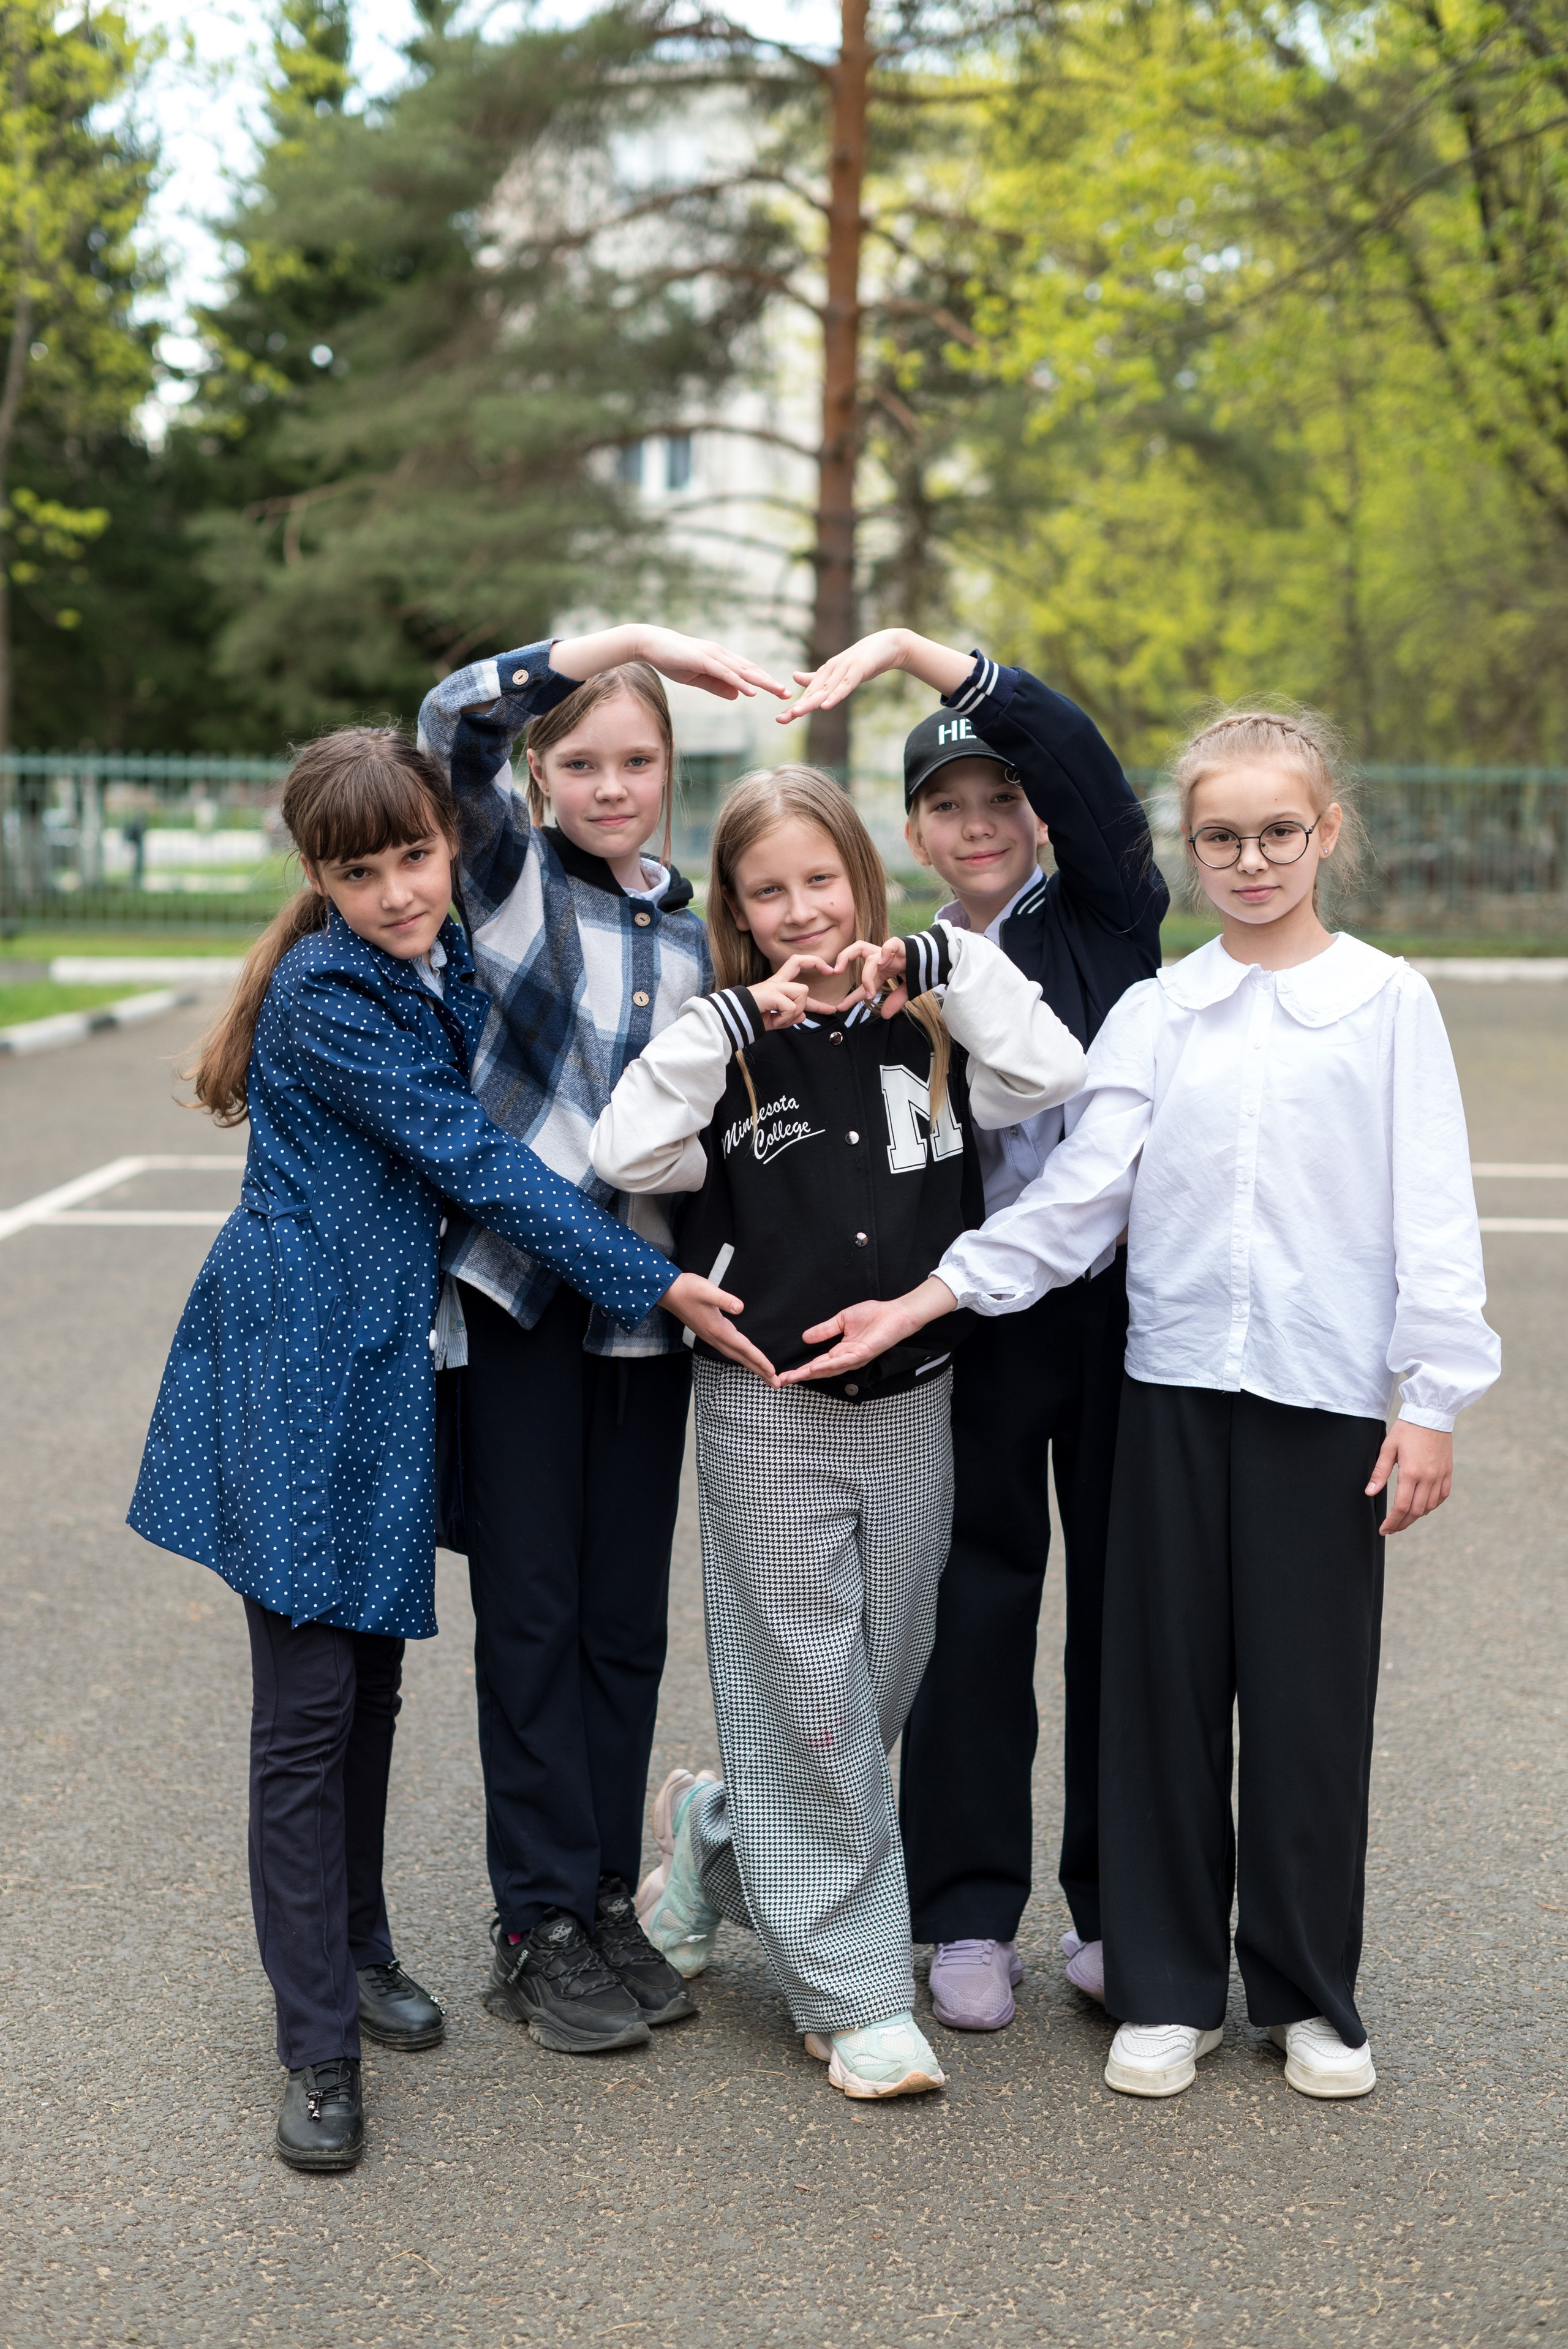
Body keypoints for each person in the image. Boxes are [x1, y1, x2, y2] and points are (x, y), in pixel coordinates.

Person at [781, 703, 1501, 2100]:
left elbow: (1434, 1211)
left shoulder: (1387, 999)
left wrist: (1434, 1397)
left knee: (1304, 1706)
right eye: (1220, 837)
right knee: (1162, 1699)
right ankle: (1164, 1988)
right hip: (1168, 1390)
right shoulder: (1155, 1012)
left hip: (1324, 1403)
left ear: (1323, 833)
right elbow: (1073, 1200)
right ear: (1191, 847)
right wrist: (926, 1297)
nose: (1249, 860)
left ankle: (1304, 1998)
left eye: (1276, 832)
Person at [128, 729, 747, 2171]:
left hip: (389, 1372)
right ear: (317, 878)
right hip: (292, 1370)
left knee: (374, 1685)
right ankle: (316, 2050)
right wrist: (644, 1280)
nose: (403, 890)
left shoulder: (441, 956)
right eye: (363, 871)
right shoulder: (328, 997)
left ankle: (359, 1950)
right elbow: (470, 1158)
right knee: (304, 1716)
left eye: (416, 855)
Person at [587, 765, 1087, 2098]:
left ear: (863, 882)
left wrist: (944, 960)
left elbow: (1050, 1070)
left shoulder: (929, 1020)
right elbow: (631, 1156)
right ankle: (852, 1999)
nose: (801, 910)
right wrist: (719, 1018)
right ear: (738, 914)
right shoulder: (723, 1041)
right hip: (768, 1408)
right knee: (810, 1698)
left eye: (822, 881)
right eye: (768, 892)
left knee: (877, 1684)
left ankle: (710, 1831)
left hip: (915, 1399)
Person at [782, 631, 1167, 2030]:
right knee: (975, 1606)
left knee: (1130, 1612)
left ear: (1039, 813)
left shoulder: (1109, 916)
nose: (980, 824)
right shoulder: (890, 962)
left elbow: (1080, 759)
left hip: (1126, 1311)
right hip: (975, 1318)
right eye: (949, 805)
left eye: (1002, 799)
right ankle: (960, 1911)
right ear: (913, 830)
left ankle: (1126, 1910)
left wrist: (909, 653)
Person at [415, 626, 788, 2054]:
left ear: (668, 771)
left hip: (649, 1312)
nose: (612, 784)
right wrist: (620, 645)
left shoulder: (702, 928)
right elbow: (447, 723)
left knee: (623, 1617)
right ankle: (534, 1923)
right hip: (517, 1300)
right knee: (533, 1612)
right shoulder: (501, 878)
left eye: (637, 760)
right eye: (582, 761)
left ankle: (599, 1899)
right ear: (540, 771)